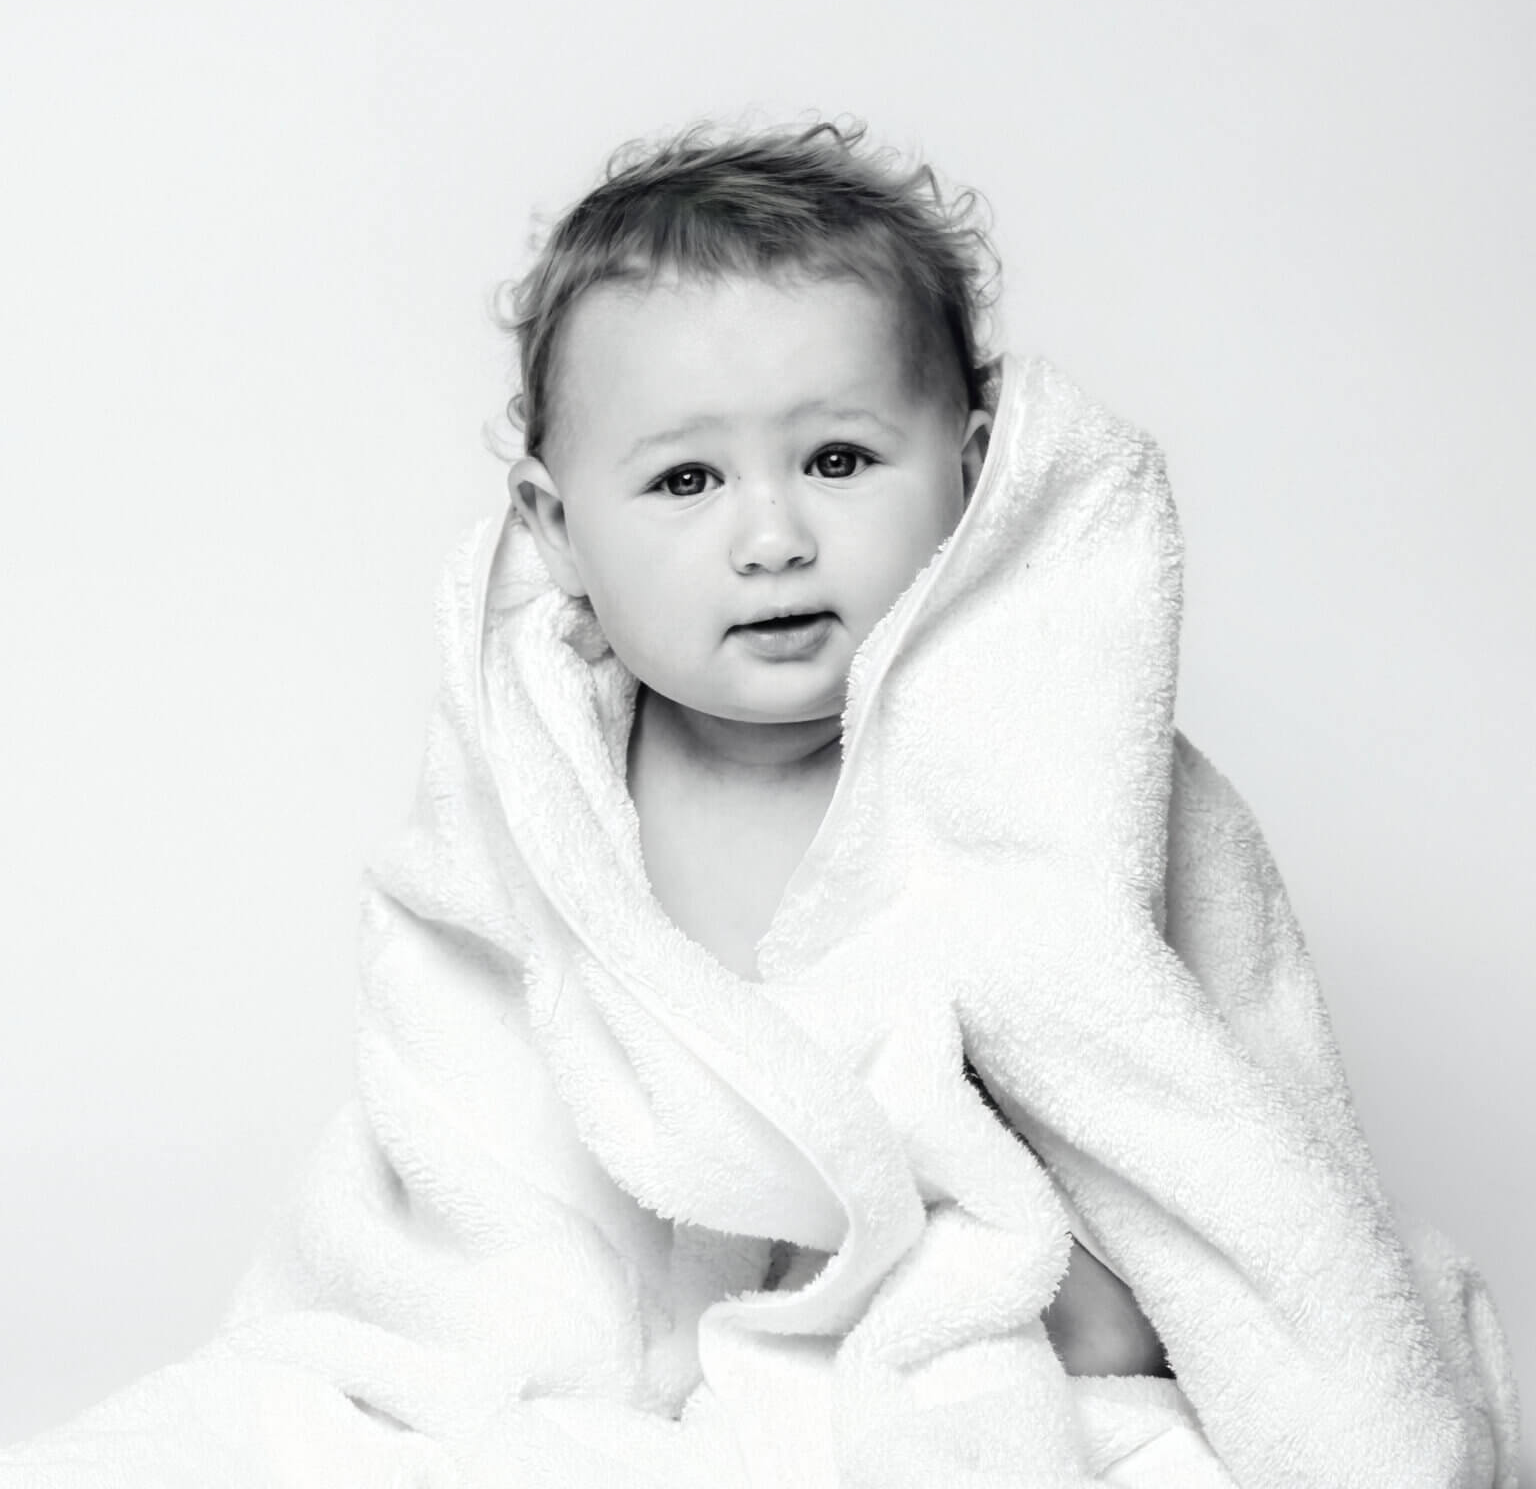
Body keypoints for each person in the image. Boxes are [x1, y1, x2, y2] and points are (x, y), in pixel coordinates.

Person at [0, 118, 1518, 1488]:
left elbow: (1212, 1112)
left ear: (974, 473)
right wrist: (517, 1344)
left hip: (990, 1342)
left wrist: (1134, 1309)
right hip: (631, 1357)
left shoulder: (1059, 776)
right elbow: (468, 1108)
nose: (774, 536)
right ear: (557, 523)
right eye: (683, 484)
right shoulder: (544, 794)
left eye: (841, 457)